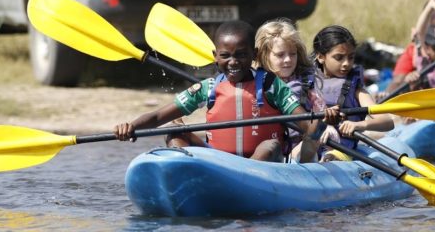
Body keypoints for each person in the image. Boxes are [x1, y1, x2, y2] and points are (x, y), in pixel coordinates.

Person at [113, 20, 316, 163]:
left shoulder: (271, 85)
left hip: (262, 166)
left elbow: (305, 123)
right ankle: (181, 173)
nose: (233, 62)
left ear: (254, 55)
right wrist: (131, 126)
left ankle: (244, 178)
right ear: (215, 57)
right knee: (175, 130)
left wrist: (324, 123)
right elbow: (158, 116)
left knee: (270, 145)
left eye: (241, 55)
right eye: (225, 56)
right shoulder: (208, 87)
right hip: (218, 162)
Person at [254, 18, 339, 162]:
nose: (288, 59)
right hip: (267, 148)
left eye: (292, 54)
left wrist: (327, 124)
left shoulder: (305, 81)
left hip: (299, 146)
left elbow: (320, 107)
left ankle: (317, 159)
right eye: (280, 55)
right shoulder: (253, 82)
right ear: (264, 54)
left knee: (313, 137)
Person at [312, 25, 395, 160]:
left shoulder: (356, 89)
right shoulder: (306, 83)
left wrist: (359, 125)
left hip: (339, 151)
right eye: (339, 57)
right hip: (308, 147)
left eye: (351, 57)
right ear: (321, 57)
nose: (346, 63)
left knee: (329, 158)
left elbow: (387, 121)